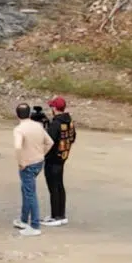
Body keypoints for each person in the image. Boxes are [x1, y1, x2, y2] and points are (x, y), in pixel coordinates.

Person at [12, 104, 52, 236]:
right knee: (26, 190)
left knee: (30, 193)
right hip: (38, 162)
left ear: (17, 114)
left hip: (27, 164)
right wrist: (42, 154)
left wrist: (21, 162)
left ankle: (34, 225)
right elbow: (50, 142)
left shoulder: (19, 129)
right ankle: (24, 220)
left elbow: (18, 147)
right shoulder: (38, 126)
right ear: (29, 113)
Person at [41, 96, 77, 226]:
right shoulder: (69, 121)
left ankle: (55, 216)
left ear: (55, 108)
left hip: (52, 159)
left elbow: (48, 141)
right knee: (60, 186)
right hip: (62, 157)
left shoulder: (56, 124)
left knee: (53, 187)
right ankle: (61, 214)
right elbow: (72, 138)